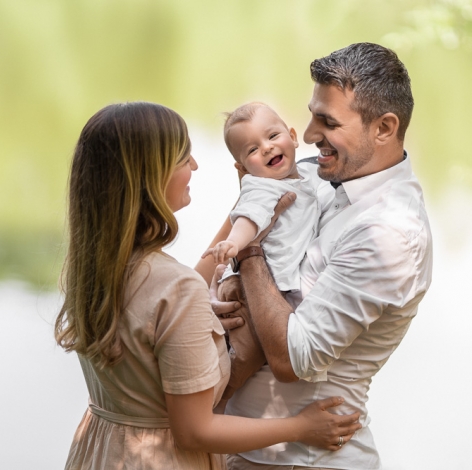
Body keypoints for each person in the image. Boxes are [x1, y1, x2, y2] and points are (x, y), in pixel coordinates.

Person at [54, 102, 362, 470]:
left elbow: (183, 291)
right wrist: (300, 427)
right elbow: (195, 431)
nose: (195, 166)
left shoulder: (100, 271)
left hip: (101, 450)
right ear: (150, 175)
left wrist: (255, 200)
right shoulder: (174, 288)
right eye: (183, 158)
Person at [214, 43, 434, 469]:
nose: (309, 135)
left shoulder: (389, 233)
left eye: (328, 122)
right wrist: (212, 297)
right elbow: (221, 246)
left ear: (384, 128)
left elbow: (292, 359)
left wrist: (252, 253)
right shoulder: (315, 168)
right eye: (313, 114)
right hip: (240, 450)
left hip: (308, 459)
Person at [202, 102, 327, 405]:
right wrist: (235, 243)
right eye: (253, 149)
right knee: (244, 357)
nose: (268, 148)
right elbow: (249, 219)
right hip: (249, 291)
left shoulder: (310, 178)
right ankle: (209, 407)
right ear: (243, 169)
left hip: (270, 285)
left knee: (245, 354)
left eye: (273, 136)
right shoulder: (262, 189)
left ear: (293, 136)